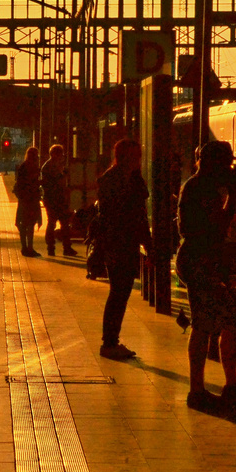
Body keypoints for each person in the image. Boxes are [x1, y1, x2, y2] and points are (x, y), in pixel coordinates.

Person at [176, 139, 236, 411]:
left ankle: (227, 385)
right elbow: (216, 227)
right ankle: (199, 389)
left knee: (224, 320)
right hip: (200, 260)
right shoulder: (202, 188)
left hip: (200, 259)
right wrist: (232, 198)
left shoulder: (198, 185)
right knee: (206, 323)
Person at [96, 138, 152, 360]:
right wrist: (148, 245)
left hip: (123, 243)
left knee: (119, 293)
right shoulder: (117, 180)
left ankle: (111, 341)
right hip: (118, 243)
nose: (139, 159)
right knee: (118, 293)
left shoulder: (129, 178)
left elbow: (138, 215)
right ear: (126, 157)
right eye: (136, 155)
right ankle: (109, 343)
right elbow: (134, 216)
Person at [42, 144, 75, 257]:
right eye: (60, 153)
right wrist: (65, 174)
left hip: (54, 197)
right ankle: (60, 247)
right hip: (54, 198)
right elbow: (57, 181)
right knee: (58, 222)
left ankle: (56, 247)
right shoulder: (51, 166)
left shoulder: (50, 165)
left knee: (56, 222)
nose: (62, 156)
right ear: (55, 154)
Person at [14, 145, 42, 256]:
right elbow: (31, 182)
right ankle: (28, 247)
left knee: (24, 224)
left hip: (23, 199)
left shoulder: (23, 166)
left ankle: (25, 247)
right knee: (30, 224)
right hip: (30, 199)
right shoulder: (31, 167)